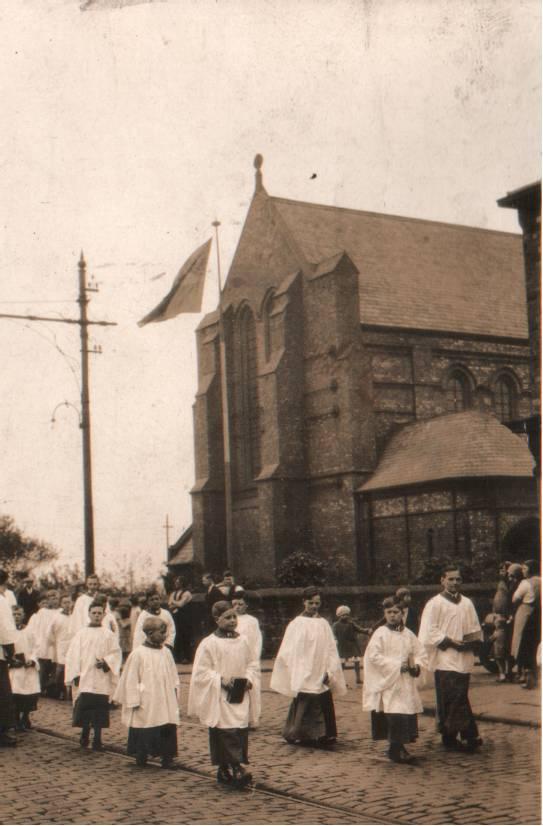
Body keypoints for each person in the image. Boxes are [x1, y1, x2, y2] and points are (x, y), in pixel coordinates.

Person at [188, 601, 260, 788]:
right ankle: (235, 767)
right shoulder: (209, 643)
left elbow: (252, 663)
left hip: (240, 691)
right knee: (224, 730)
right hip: (219, 693)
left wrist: (248, 679)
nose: (232, 621)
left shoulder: (243, 640)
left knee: (239, 729)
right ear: (216, 619)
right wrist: (221, 679)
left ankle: (228, 767)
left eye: (234, 616)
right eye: (227, 617)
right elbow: (201, 671)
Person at [270, 586, 347, 746]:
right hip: (304, 668)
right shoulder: (296, 624)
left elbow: (331, 647)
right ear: (304, 602)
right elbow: (289, 649)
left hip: (321, 666)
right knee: (306, 695)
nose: (314, 606)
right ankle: (301, 732)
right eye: (310, 602)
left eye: (317, 603)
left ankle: (324, 733)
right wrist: (298, 668)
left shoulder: (323, 624)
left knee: (322, 694)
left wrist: (330, 669)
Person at [418, 565, 483, 753]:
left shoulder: (467, 603)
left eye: (458, 579)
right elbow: (429, 630)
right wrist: (450, 642)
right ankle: (463, 734)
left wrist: (470, 642)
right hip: (445, 656)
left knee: (459, 695)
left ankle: (453, 733)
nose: (455, 583)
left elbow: (474, 627)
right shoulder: (435, 603)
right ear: (443, 580)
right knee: (452, 696)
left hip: (463, 656)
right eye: (451, 579)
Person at [363, 597, 427, 763]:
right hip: (389, 681)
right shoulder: (381, 633)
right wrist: (396, 666)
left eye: (396, 612)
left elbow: (420, 652)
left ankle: (396, 748)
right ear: (384, 613)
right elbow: (373, 656)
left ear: (402, 614)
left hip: (405, 682)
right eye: (389, 612)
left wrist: (417, 666)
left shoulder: (408, 634)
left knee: (405, 712)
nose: (392, 616)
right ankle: (397, 748)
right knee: (395, 714)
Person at [114, 616, 179, 769]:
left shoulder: (166, 653)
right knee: (144, 724)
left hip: (164, 697)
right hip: (146, 699)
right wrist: (133, 700)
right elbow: (131, 679)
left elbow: (173, 674)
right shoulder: (138, 654)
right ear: (150, 633)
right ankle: (141, 754)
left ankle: (167, 757)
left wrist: (174, 691)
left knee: (166, 724)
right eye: (162, 633)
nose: (165, 636)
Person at [65, 601, 122, 751]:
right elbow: (72, 655)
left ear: (104, 614)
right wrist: (75, 673)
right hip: (85, 676)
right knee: (85, 706)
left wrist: (106, 662)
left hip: (100, 677)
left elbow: (115, 653)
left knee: (99, 708)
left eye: (99, 613)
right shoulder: (81, 634)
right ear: (89, 614)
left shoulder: (108, 635)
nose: (97, 616)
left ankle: (97, 738)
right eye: (94, 613)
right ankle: (84, 734)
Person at [9, 606, 40, 730]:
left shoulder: (29, 631)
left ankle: (25, 716)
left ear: (23, 616)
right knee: (15, 693)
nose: (16, 617)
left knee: (30, 694)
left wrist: (32, 660)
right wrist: (11, 661)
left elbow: (36, 647)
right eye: (14, 614)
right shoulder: (7, 632)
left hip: (28, 668)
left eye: (19, 614)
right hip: (14, 668)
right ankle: (15, 717)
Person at [513, 559, 541, 689]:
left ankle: (523, 673)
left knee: (521, 641)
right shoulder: (541, 581)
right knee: (536, 642)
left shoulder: (525, 583)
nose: (523, 571)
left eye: (524, 569)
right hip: (539, 612)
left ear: (530, 569)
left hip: (526, 611)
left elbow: (515, 598)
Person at [0, 569, 18, 747]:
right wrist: (11, 650)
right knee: (2, 692)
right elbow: (5, 628)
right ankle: (3, 731)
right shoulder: (1, 600)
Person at [33, 590, 61, 696]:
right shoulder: (42, 612)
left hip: (56, 643)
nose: (53, 600)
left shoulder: (60, 611)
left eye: (55, 598)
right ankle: (39, 688)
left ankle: (51, 689)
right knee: (43, 667)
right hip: (44, 642)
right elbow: (37, 628)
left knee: (55, 667)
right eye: (51, 598)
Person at [332, 605, 368, 686]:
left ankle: (358, 678)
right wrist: (335, 639)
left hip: (352, 645)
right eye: (343, 615)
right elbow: (333, 634)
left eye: (347, 615)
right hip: (342, 646)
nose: (345, 616)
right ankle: (342, 680)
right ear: (339, 615)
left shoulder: (351, 624)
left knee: (357, 662)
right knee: (342, 664)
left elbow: (359, 629)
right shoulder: (336, 625)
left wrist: (366, 631)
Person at [48, 594, 74, 700]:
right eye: (65, 602)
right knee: (61, 668)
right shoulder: (56, 617)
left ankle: (71, 692)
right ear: (61, 604)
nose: (67, 605)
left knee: (72, 667)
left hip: (72, 645)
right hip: (61, 644)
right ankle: (58, 691)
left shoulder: (74, 616)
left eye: (69, 602)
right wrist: (56, 642)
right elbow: (50, 633)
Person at [231, 591, 263, 664]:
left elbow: (257, 641)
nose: (237, 607)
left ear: (246, 605)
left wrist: (255, 658)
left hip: (247, 656)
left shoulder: (252, 621)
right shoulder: (229, 619)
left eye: (240, 604)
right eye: (234, 604)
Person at [168, 577, 193, 663]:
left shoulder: (187, 593)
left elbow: (181, 604)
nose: (176, 584)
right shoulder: (173, 593)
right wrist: (176, 603)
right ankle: (177, 657)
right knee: (176, 636)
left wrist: (174, 602)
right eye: (176, 582)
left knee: (185, 636)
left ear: (182, 583)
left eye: (178, 582)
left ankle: (186, 657)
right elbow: (170, 605)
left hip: (185, 617)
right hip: (176, 617)